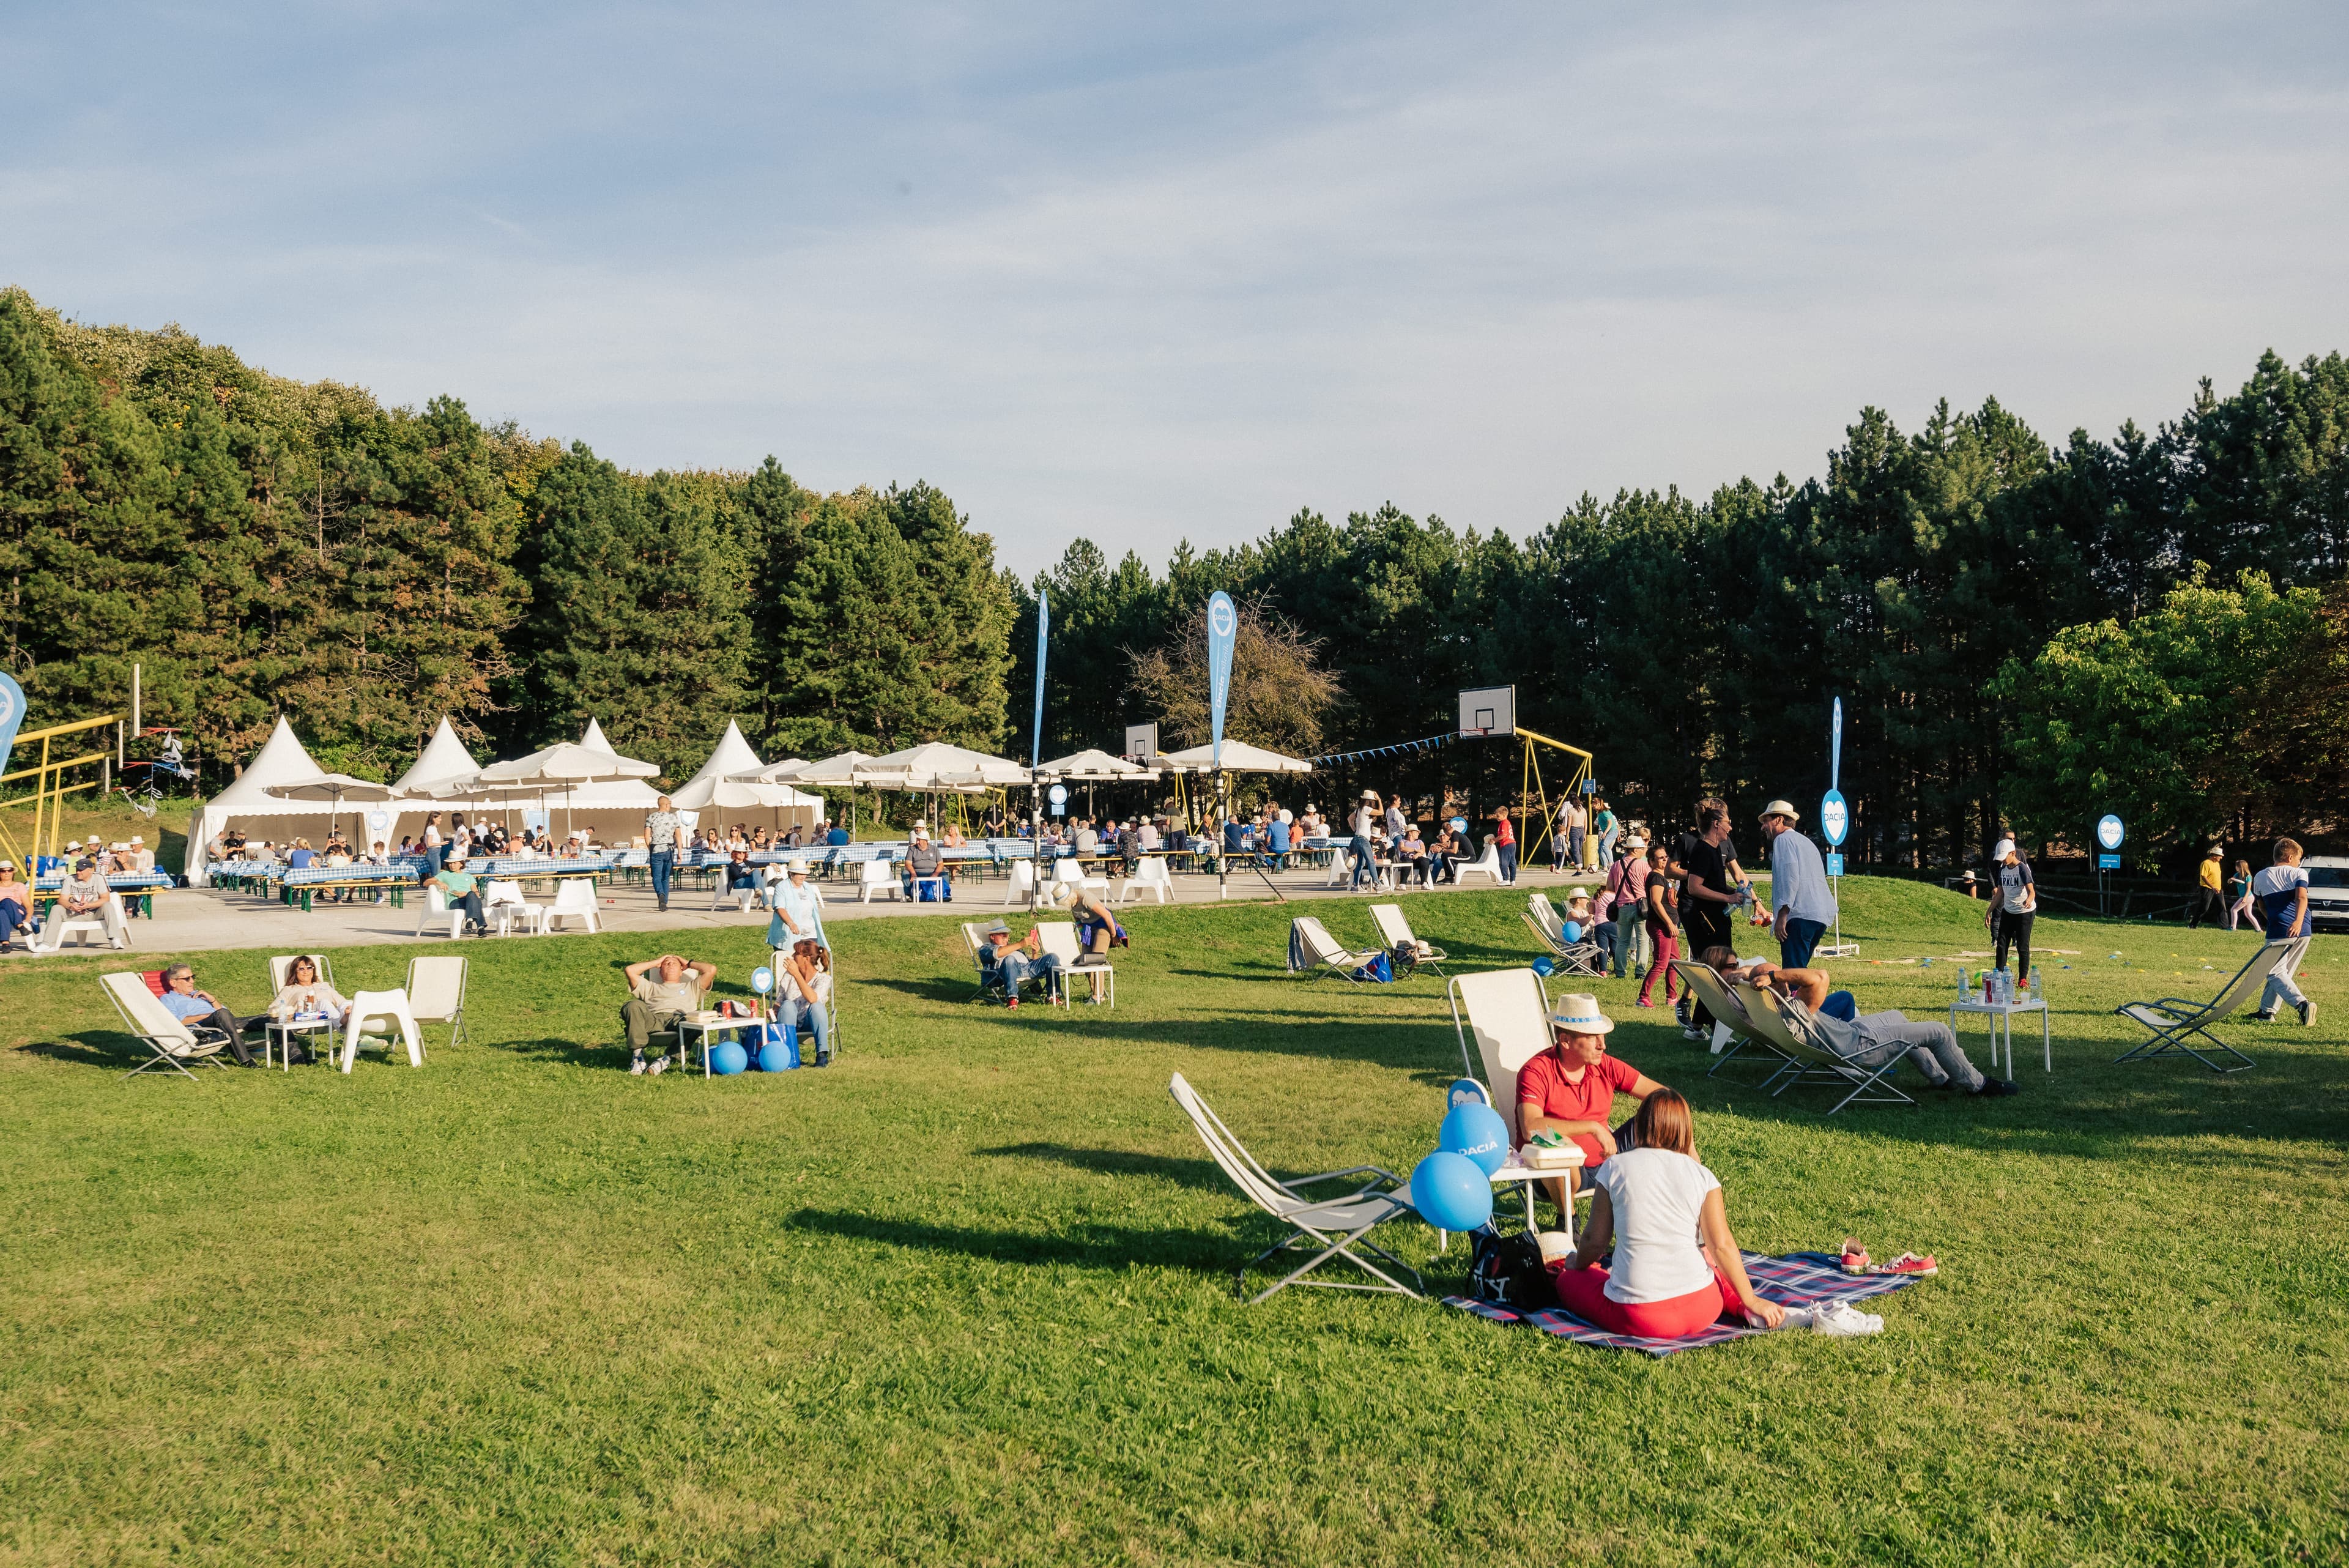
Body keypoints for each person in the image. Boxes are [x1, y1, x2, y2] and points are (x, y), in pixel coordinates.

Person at [1549, 1091, 1789, 1336]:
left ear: (1639, 1124)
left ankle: (1584, 1276)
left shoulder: (1615, 1167)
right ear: (1686, 1130)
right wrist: (1751, 1298)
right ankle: (1742, 1307)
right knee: (1712, 1270)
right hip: (1703, 1308)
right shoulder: (1703, 1176)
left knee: (1568, 1281)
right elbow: (1722, 1247)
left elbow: (1594, 1241)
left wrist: (1576, 1264)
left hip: (1640, 1317)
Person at [1514, 992, 1668, 1215]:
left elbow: (1663, 1095)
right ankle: (1568, 1219)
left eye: (1602, 1036)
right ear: (1565, 1040)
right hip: (1553, 1173)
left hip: (1608, 1159)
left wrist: (1674, 1120)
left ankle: (1695, 1196)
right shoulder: (1537, 1071)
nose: (1602, 1045)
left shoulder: (1604, 1065)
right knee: (1558, 1144)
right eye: (1593, 1037)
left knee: (1667, 1112)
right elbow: (1531, 1127)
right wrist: (1592, 1127)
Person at [1796, 981, 2019, 1097]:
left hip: (1850, 1031)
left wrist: (1775, 980)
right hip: (1860, 1045)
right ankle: (1977, 1085)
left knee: (1897, 1016)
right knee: (1939, 1031)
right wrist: (1778, 976)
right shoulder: (1795, 1008)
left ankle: (1940, 1077)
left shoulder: (1780, 1007)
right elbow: (1820, 977)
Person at [1677, 803, 1745, 1041]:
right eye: (1727, 822)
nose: (1730, 827)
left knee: (1718, 974)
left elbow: (1713, 884)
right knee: (1719, 974)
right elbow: (1694, 887)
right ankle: (1714, 1029)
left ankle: (1696, 1027)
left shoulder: (1717, 849)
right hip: (1708, 923)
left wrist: (1736, 892)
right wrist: (1728, 896)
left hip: (1719, 919)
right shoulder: (1703, 850)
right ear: (1716, 824)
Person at [1758, 800, 1837, 970]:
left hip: (1799, 916)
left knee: (1792, 974)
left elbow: (1790, 878)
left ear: (1779, 820)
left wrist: (1783, 915)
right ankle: (1801, 996)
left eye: (1766, 821)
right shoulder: (1805, 842)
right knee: (1800, 972)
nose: (1763, 827)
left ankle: (1794, 997)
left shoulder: (1783, 841)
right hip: (1818, 917)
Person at [2253, 838, 2315, 1025]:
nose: (2299, 863)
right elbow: (2302, 899)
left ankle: (2302, 1004)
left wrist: (2273, 919)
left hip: (2279, 929)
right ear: (2289, 858)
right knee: (2283, 972)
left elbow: (2261, 905)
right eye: (2299, 859)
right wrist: (2297, 922)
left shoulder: (2260, 876)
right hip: (2304, 928)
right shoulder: (2299, 873)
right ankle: (2267, 1011)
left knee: (2273, 971)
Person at [621, 953, 716, 1072]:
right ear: (660, 971)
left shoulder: (691, 987)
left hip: (680, 1019)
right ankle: (638, 1058)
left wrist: (688, 963)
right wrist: (656, 962)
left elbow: (711, 970)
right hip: (653, 1020)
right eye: (666, 963)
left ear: (682, 971)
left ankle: (666, 1059)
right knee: (632, 1005)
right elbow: (630, 970)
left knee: (699, 1021)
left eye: (675, 963)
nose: (670, 964)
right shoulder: (650, 987)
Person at [158, 963, 258, 1066]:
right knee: (222, 1015)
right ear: (173, 982)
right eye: (187, 979)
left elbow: (227, 1014)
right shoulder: (168, 999)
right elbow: (176, 1022)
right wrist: (207, 1016)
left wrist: (212, 1000)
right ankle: (246, 1060)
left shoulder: (199, 994)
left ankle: (277, 1054)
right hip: (200, 1028)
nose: (192, 981)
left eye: (193, 977)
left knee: (270, 1017)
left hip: (223, 1021)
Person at [1637, 845, 1683, 1009]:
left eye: (1666, 856)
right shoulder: (1655, 877)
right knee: (1661, 963)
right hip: (1661, 925)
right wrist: (1670, 924)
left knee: (1675, 961)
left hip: (1669, 926)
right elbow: (1656, 902)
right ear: (1651, 861)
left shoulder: (1665, 878)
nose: (1665, 859)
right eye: (1661, 858)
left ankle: (1672, 996)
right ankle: (1643, 997)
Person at [1985, 838, 2036, 984]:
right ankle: (1999, 976)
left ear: (2012, 853)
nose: (2002, 861)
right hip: (2008, 911)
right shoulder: (2003, 870)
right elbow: (2000, 893)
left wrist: (2029, 900)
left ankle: (2023, 979)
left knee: (2022, 945)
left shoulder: (2022, 869)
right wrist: (1988, 911)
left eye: (2004, 858)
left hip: (2024, 912)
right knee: (2001, 944)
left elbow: (2032, 891)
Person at [777, 938, 833, 1064]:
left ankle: (822, 1055)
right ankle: (790, 1055)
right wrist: (774, 1010)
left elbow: (812, 998)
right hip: (790, 1022)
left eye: (796, 954)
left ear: (806, 959)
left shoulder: (823, 979)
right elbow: (779, 1001)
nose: (792, 956)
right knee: (787, 1005)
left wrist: (797, 975)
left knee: (816, 1006)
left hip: (811, 1023)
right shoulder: (789, 975)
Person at [978, 923, 1062, 1008]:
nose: (1006, 938)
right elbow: (997, 953)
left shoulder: (1014, 948)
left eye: (1007, 935)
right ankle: (1012, 998)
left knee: (1052, 957)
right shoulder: (986, 948)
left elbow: (1031, 965)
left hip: (1026, 969)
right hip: (1004, 973)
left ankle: (1052, 996)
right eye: (1003, 936)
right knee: (1010, 959)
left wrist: (1035, 953)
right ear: (992, 937)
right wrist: (1020, 944)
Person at [269, 954, 352, 1033]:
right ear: (295, 972)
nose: (306, 972)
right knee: (324, 1002)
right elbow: (272, 1008)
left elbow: (341, 1001)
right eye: (301, 969)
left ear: (313, 970)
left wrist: (348, 1007)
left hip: (329, 1018)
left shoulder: (324, 985)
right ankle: (343, 1023)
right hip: (306, 1019)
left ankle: (348, 1019)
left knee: (350, 1003)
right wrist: (290, 1013)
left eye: (309, 968)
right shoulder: (289, 989)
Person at [1606, 834, 1650, 979]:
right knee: (1642, 941)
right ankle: (1640, 972)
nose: (1644, 850)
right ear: (1636, 849)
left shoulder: (1616, 865)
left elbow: (1610, 887)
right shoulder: (1643, 865)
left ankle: (1620, 972)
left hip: (1622, 907)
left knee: (1622, 941)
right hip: (1641, 906)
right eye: (1642, 848)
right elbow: (1650, 886)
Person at [766, 860, 826, 950]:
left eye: (805, 874)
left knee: (809, 962)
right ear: (791, 874)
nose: (803, 877)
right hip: (788, 935)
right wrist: (791, 923)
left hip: (810, 934)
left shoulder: (807, 887)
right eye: (800, 874)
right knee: (789, 962)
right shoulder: (781, 887)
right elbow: (780, 908)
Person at [644, 795, 685, 912]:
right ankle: (664, 902)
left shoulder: (651, 817)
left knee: (656, 877)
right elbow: (678, 836)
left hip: (656, 850)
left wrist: (650, 848)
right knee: (666, 877)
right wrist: (680, 852)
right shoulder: (673, 818)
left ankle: (661, 895)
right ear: (667, 805)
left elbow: (647, 836)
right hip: (669, 850)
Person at [433, 852, 489, 935]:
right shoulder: (445, 874)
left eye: (455, 863)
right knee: (477, 903)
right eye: (450, 863)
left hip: (469, 899)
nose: (452, 866)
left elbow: (476, 893)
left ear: (461, 864)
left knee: (472, 895)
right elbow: (427, 882)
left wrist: (466, 895)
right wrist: (439, 882)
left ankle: (472, 921)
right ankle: (478, 925)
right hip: (455, 901)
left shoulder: (469, 876)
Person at [903, 832, 951, 901]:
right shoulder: (912, 849)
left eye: (919, 840)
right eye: (917, 840)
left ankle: (945, 895)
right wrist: (913, 874)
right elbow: (908, 864)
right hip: (917, 872)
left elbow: (940, 864)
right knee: (905, 873)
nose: (917, 842)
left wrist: (935, 874)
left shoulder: (934, 849)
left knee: (945, 875)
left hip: (932, 872)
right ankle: (909, 895)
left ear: (926, 841)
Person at [1348, 792, 1380, 891]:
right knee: (1371, 861)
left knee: (1360, 863)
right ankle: (1377, 884)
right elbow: (1381, 812)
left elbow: (1349, 819)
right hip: (1363, 839)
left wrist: (1355, 829)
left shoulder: (1358, 810)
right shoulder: (1367, 809)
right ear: (1371, 801)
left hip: (1357, 837)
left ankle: (1356, 885)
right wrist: (1379, 800)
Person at [2191, 847, 2227, 929]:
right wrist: (2212, 887)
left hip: (2218, 889)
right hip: (2207, 888)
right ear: (2214, 856)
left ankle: (2225, 926)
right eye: (2220, 856)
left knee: (2222, 906)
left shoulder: (2217, 864)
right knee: (2204, 908)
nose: (2221, 858)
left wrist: (2217, 887)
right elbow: (2204, 876)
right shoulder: (2206, 863)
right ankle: (2193, 924)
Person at [0, 861, 31, 951]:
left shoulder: (19, 886)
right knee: (3, 909)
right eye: (3, 871)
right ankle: (20, 927)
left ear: (13, 872)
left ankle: (5, 944)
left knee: (7, 904)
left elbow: (28, 905)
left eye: (9, 870)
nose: (7, 873)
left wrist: (29, 916)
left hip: (18, 912)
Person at [1556, 793, 1586, 872]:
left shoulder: (1568, 807)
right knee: (1579, 849)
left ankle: (1561, 866)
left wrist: (1568, 835)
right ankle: (1579, 864)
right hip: (1581, 830)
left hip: (1569, 830)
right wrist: (1585, 834)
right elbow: (1585, 823)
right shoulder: (1583, 809)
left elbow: (1565, 819)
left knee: (1566, 848)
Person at [1590, 797, 1619, 872]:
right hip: (1608, 832)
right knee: (1600, 850)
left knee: (1604, 846)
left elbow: (1610, 823)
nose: (1593, 808)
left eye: (1594, 805)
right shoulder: (1600, 813)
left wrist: (1605, 833)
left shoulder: (1604, 812)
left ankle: (1611, 864)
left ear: (1599, 804)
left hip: (1612, 831)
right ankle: (1605, 867)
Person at [2226, 857, 2254, 931]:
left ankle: (2233, 928)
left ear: (2241, 867)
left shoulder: (2248, 877)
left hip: (2248, 897)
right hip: (2245, 897)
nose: (2235, 867)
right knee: (2248, 914)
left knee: (2234, 910)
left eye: (2237, 866)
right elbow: (2230, 881)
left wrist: (2245, 898)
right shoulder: (2237, 875)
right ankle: (2258, 929)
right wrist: (2231, 880)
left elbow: (2249, 888)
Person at [1493, 805, 1518, 885]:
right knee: (1512, 862)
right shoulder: (1508, 823)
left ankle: (1505, 879)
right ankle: (1513, 880)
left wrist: (1494, 840)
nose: (1497, 817)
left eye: (1498, 816)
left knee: (1503, 862)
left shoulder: (1504, 823)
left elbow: (1503, 835)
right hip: (1512, 843)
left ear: (1504, 815)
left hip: (1506, 844)